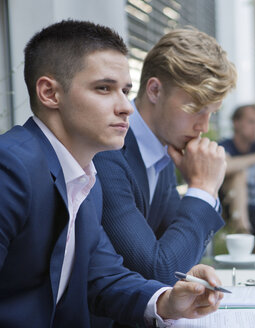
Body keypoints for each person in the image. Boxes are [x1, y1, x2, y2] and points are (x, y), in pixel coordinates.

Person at [0, 20, 223, 327]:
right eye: (104, 88)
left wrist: (167, 301)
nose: (126, 107)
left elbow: (103, 277)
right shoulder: (9, 168)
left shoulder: (85, 178)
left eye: (125, 90)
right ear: (50, 93)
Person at [93, 28, 237, 285]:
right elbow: (158, 270)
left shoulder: (163, 149)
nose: (203, 127)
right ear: (155, 91)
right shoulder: (106, 152)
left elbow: (177, 255)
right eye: (196, 109)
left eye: (211, 113)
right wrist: (203, 188)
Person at [218, 104, 255, 248]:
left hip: (254, 212)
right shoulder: (225, 146)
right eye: (251, 122)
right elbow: (226, 166)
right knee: (238, 174)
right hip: (228, 210)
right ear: (236, 123)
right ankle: (243, 233)